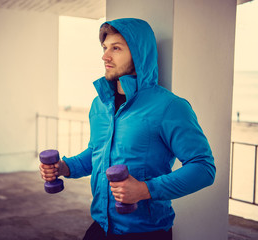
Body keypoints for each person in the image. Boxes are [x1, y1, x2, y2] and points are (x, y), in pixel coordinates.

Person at [40, 18, 216, 240]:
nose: (105, 56)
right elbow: (96, 154)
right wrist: (64, 167)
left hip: (146, 232)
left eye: (116, 48)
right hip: (101, 227)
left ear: (138, 54)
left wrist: (145, 190)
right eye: (105, 48)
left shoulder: (169, 106)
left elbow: (204, 168)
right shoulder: (99, 104)